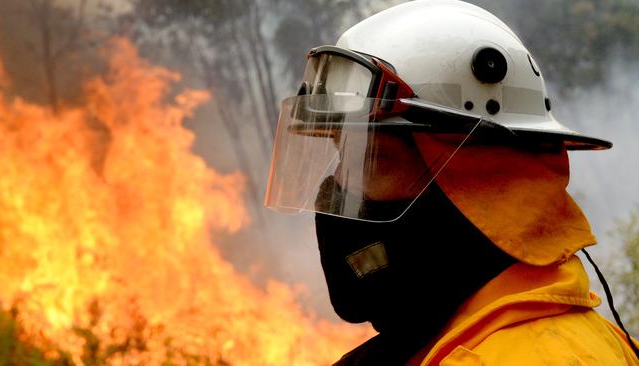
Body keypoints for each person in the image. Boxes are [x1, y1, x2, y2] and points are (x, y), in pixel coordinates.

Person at [264, 0, 639, 364]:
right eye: (342, 155)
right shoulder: (446, 338)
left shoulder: (538, 356)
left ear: (483, 181)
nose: (342, 185)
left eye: (370, 160)